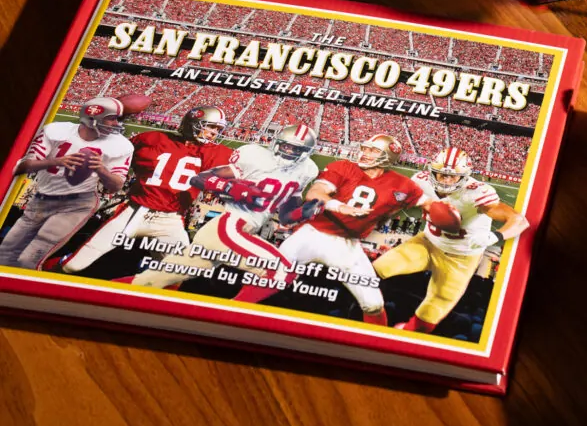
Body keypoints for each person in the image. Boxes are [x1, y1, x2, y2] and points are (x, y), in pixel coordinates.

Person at [237, 134, 427, 325]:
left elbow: (428, 205)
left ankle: (378, 343)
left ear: (387, 156)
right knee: (270, 277)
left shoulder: (401, 184)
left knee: (373, 304)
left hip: (346, 244)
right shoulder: (343, 166)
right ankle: (234, 310)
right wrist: (339, 206)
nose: (365, 153)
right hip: (312, 234)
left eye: (373, 150)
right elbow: (314, 193)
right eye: (365, 148)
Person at [129, 124, 319, 293]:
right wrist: (230, 188)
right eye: (285, 145)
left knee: (149, 281)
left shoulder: (306, 171)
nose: (287, 150)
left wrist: (303, 212)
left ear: (306, 152)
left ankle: (108, 292)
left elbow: (286, 217)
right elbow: (199, 178)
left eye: (295, 148)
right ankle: (239, 317)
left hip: (239, 230)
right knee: (282, 270)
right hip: (228, 227)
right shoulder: (256, 156)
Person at [373, 147, 529, 333]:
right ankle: (372, 325)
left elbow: (519, 221)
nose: (446, 180)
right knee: (372, 272)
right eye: (441, 175)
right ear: (432, 172)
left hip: (460, 258)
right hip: (427, 243)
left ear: (464, 176)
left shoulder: (476, 193)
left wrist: (494, 236)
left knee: (429, 316)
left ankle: (405, 337)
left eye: (453, 177)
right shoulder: (421, 181)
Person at [62, 106, 232, 274]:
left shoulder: (217, 153)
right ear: (193, 123)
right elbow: (117, 155)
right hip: (135, 212)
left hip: (171, 220)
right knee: (73, 265)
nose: (214, 133)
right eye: (210, 126)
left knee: (180, 273)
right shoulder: (153, 139)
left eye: (217, 129)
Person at [0, 98, 133, 270]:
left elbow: (116, 185)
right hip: (41, 198)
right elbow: (21, 166)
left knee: (29, 258)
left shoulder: (121, 145)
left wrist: (101, 169)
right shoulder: (56, 131)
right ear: (93, 117)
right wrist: (57, 161)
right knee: (5, 253)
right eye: (112, 118)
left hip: (78, 203)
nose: (116, 123)